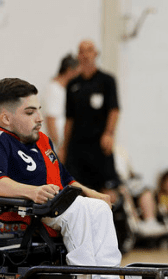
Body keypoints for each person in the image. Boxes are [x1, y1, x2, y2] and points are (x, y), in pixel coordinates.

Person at [0, 77, 124, 279]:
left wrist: (94, 193)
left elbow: (65, 179)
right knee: (78, 210)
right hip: (26, 212)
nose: (39, 118)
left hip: (54, 206)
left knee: (100, 208)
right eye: (30, 112)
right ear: (6, 119)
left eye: (39, 109)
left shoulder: (43, 140)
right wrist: (32, 192)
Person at [59, 40, 121, 201]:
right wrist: (64, 147)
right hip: (77, 147)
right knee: (76, 189)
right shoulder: (73, 84)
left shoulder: (107, 81)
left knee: (107, 192)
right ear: (78, 55)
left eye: (89, 50)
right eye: (81, 51)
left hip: (99, 145)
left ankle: (108, 224)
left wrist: (109, 133)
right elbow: (69, 118)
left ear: (96, 53)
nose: (85, 55)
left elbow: (114, 109)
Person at [44, 54, 79, 149]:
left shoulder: (66, 89)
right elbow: (50, 121)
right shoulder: (54, 89)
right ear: (69, 70)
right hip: (59, 146)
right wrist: (60, 147)